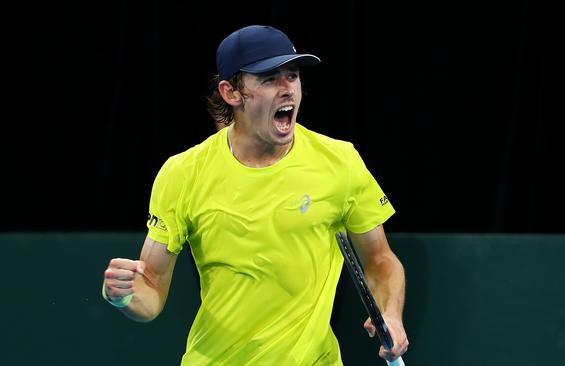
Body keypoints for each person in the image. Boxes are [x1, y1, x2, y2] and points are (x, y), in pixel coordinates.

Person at [102, 24, 409, 365]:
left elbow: (380, 260)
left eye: (292, 76)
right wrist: (123, 295)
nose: (287, 89)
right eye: (269, 79)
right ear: (231, 93)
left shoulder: (340, 162)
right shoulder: (182, 173)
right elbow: (152, 288)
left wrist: (391, 314)